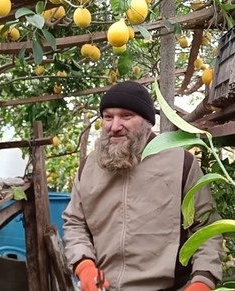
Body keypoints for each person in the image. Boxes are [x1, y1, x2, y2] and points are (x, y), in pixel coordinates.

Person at [62, 81, 222, 291]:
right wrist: (83, 265)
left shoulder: (181, 164)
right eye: (108, 117)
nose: (115, 126)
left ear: (147, 122)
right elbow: (75, 223)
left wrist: (202, 282)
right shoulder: (89, 167)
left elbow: (207, 229)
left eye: (126, 116)